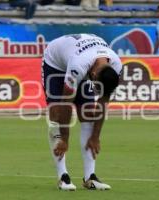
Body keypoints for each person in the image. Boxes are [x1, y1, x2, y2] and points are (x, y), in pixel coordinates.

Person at [42, 33, 122, 191]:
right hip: (55, 63)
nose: (96, 91)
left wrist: (95, 136)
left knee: (88, 114)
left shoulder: (117, 66)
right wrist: (64, 139)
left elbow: (103, 101)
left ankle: (90, 177)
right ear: (93, 76)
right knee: (56, 114)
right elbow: (66, 103)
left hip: (84, 58)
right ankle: (63, 177)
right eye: (97, 86)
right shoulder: (79, 66)